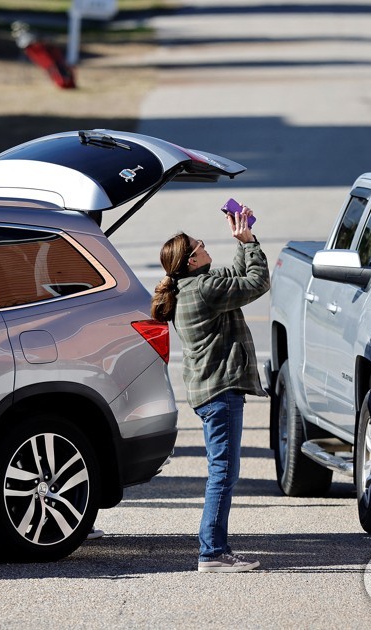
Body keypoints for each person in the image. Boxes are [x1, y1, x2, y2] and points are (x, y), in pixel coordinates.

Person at [151, 205, 270, 573]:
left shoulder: (192, 286)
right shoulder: (204, 288)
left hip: (209, 393)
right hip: (221, 392)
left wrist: (243, 240)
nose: (205, 247)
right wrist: (249, 243)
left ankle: (214, 549)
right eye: (200, 246)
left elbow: (234, 275)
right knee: (223, 473)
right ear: (190, 261)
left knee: (222, 470)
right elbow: (256, 282)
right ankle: (213, 552)